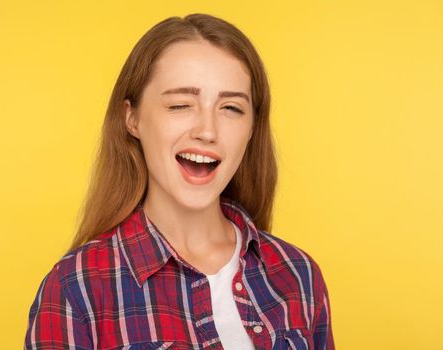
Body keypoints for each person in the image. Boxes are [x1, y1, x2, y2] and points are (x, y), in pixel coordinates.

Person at [24, 13, 335, 350]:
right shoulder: (75, 289)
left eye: (231, 108)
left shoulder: (298, 275)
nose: (207, 130)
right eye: (180, 105)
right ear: (132, 118)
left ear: (251, 129)